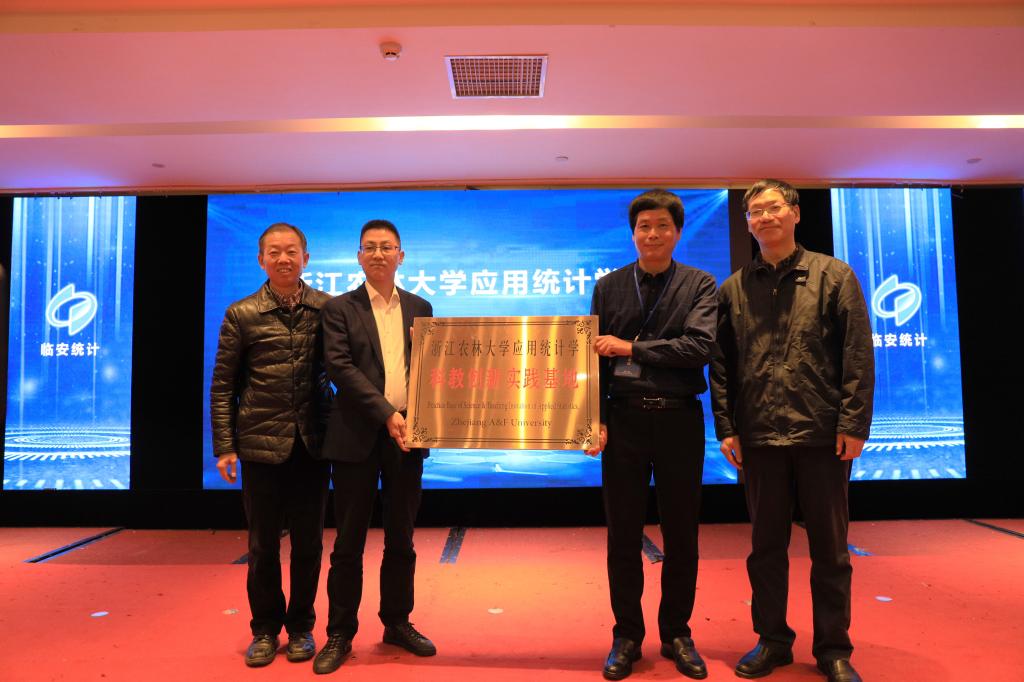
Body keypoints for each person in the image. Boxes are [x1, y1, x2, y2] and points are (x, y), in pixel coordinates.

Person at [710, 179, 874, 682]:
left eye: (774, 207)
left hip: (822, 434)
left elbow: (857, 354)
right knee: (765, 550)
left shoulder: (833, 275)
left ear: (796, 213)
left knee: (831, 550)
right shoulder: (734, 288)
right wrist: (726, 427)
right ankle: (772, 641)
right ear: (747, 223)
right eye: (755, 211)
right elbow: (721, 364)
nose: (765, 217)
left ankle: (833, 649)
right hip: (759, 436)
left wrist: (853, 423)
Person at [586, 189, 718, 680]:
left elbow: (699, 347)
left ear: (678, 232)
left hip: (680, 420)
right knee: (622, 534)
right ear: (633, 233)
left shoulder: (700, 284)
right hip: (623, 421)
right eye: (644, 226)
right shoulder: (609, 287)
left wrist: (631, 348)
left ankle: (677, 633)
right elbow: (593, 361)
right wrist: (594, 419)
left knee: (682, 533)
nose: (653, 234)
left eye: (662, 225)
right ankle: (626, 635)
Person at [313, 219, 435, 675]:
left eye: (387, 247)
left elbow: (433, 367)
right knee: (348, 542)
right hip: (356, 436)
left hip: (407, 437)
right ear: (359, 257)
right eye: (370, 247)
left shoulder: (421, 307)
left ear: (401, 256)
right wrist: (386, 413)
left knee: (402, 537)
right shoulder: (339, 309)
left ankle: (397, 622)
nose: (379, 254)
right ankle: (340, 632)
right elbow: (340, 368)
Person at [209, 222, 332, 668]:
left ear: (306, 258)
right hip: (260, 446)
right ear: (261, 259)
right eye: (274, 252)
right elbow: (223, 385)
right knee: (262, 546)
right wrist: (225, 445)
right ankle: (263, 630)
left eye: (292, 251)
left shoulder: (328, 309)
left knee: (309, 545)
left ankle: (301, 628)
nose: (284, 259)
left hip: (313, 445)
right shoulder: (241, 313)